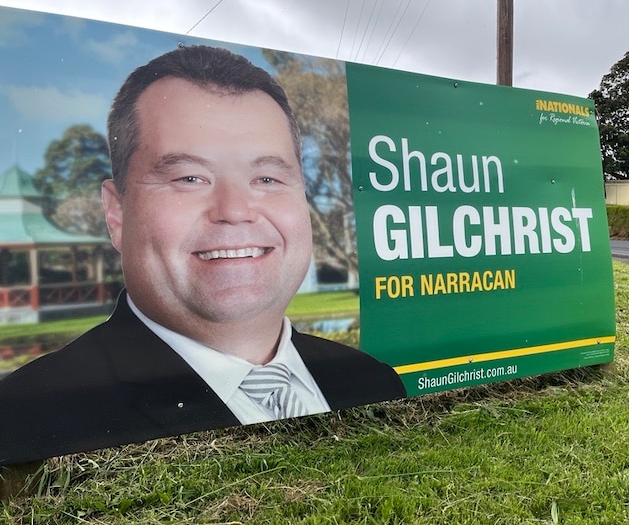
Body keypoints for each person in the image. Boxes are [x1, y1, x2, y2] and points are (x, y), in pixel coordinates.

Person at [0, 45, 405, 466]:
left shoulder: (372, 380)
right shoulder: (25, 422)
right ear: (117, 212)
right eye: (189, 177)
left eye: (266, 177)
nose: (234, 211)